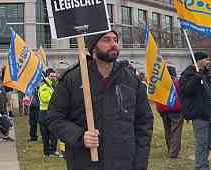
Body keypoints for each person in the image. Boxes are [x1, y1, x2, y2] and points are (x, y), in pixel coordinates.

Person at [45, 30, 154, 170]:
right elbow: (54, 118)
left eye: (115, 39)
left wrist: (140, 163)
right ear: (93, 47)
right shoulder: (72, 79)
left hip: (124, 163)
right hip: (85, 163)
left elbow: (144, 122)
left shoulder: (131, 79)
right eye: (106, 40)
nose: (113, 44)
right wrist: (80, 137)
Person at [180, 52, 211, 170]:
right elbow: (185, 91)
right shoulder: (188, 74)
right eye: (206, 59)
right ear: (199, 61)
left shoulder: (205, 74)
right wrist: (196, 77)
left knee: (207, 143)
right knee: (202, 143)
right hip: (199, 115)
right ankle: (201, 167)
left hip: (208, 113)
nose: (208, 62)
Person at [156, 65, 183, 159]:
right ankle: (173, 152)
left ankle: (170, 149)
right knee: (176, 131)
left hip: (163, 110)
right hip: (175, 109)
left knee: (167, 131)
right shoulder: (176, 83)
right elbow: (181, 94)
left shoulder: (159, 83)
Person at [38, 68, 60, 157]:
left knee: (54, 132)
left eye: (55, 76)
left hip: (51, 111)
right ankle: (47, 152)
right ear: (47, 76)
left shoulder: (53, 85)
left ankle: (52, 150)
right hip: (45, 112)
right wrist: (56, 98)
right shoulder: (44, 86)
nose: (54, 77)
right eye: (52, 76)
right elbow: (45, 98)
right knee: (46, 133)